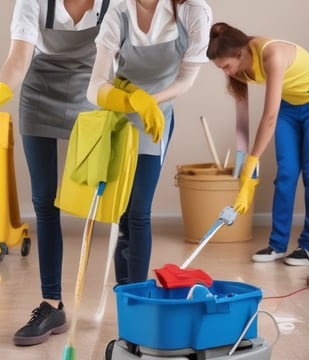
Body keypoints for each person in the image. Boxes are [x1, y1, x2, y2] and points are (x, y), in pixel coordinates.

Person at [0, 0, 113, 347]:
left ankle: (128, 300)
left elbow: (121, 53)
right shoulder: (33, 1)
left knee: (104, 201)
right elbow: (19, 58)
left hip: (92, 95)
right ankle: (51, 304)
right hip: (39, 95)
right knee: (45, 201)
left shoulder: (114, 2)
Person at [86, 0, 212, 285]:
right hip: (119, 116)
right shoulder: (118, 14)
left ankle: (138, 294)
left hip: (156, 119)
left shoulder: (194, 11)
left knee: (139, 211)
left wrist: (150, 103)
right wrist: (133, 101)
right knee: (123, 212)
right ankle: (125, 292)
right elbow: (95, 86)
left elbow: (186, 80)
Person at [206, 22, 309, 266]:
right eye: (220, 69)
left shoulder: (272, 54)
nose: (226, 72)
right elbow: (243, 116)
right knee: (286, 174)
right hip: (289, 107)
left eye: (226, 66)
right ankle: (277, 244)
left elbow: (269, 117)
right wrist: (243, 157)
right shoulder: (238, 68)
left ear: (240, 53)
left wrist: (253, 160)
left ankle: (308, 247)